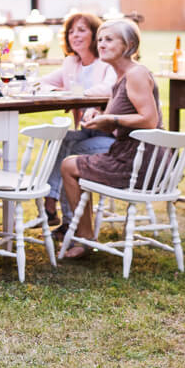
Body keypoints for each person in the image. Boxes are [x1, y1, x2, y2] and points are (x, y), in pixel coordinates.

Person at [59, 19, 162, 259]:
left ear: (129, 44)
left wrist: (111, 120)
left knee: (68, 164)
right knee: (73, 155)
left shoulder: (135, 74)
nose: (102, 45)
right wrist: (101, 115)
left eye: (109, 39)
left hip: (138, 159)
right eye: (100, 40)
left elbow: (149, 120)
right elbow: (127, 112)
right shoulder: (121, 77)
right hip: (129, 154)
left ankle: (84, 238)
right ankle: (82, 234)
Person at [38, 11, 116, 227]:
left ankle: (64, 219)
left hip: (110, 134)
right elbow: (41, 83)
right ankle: (52, 203)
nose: (75, 35)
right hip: (87, 128)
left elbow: (109, 87)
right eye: (71, 31)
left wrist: (78, 95)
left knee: (69, 152)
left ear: (95, 35)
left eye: (82, 30)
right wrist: (61, 92)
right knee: (61, 140)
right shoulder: (72, 62)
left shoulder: (106, 62)